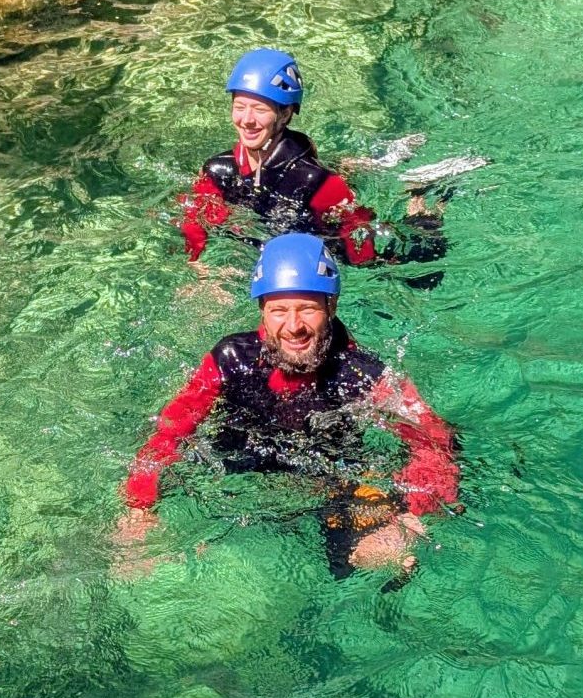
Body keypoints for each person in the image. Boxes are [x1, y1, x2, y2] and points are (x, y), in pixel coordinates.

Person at [117, 234, 460, 578]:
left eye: (308, 309)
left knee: (383, 554)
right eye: (279, 311)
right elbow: (168, 434)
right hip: (236, 470)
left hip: (326, 478)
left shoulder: (361, 373)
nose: (294, 327)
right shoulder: (230, 359)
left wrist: (414, 511)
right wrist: (139, 509)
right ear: (262, 311)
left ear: (332, 306)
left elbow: (434, 437)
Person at [177, 48, 446, 271]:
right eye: (239, 107)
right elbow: (198, 219)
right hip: (273, 227)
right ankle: (354, 164)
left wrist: (367, 266)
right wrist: (197, 265)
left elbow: (356, 232)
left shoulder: (314, 181)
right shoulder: (218, 170)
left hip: (322, 236)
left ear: (285, 114)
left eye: (259, 109)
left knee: (421, 265)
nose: (246, 120)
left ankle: (421, 201)